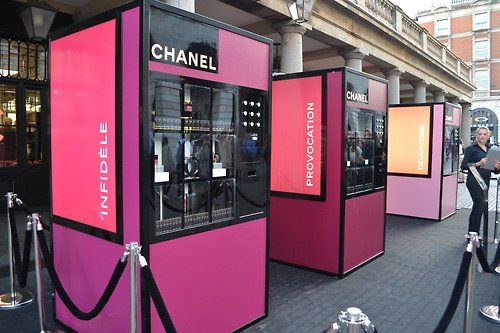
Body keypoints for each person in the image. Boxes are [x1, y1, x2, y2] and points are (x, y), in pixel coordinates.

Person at [461, 126, 500, 232]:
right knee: (479, 205)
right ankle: (473, 234)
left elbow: (494, 171)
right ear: (476, 135)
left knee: (480, 207)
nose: (482, 136)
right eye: (480, 134)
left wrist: (497, 167)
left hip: (486, 181)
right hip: (474, 181)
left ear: (488, 135)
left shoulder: (492, 149)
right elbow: (463, 166)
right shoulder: (471, 148)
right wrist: (479, 163)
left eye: (484, 134)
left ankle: (473, 233)